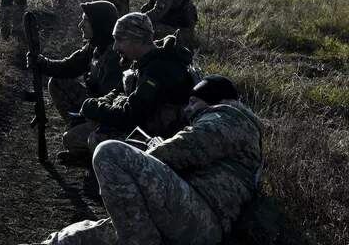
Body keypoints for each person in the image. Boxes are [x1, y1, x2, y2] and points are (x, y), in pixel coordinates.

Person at [28, 75, 263, 245]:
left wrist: (153, 149)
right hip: (187, 213)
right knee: (82, 237)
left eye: (193, 102)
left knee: (109, 152)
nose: (188, 109)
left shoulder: (229, 118)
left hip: (201, 217)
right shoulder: (231, 124)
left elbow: (176, 151)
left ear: (212, 100)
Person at [77, 12, 195, 154]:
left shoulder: (158, 69)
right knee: (78, 134)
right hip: (148, 127)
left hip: (166, 141)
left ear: (138, 40)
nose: (115, 47)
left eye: (119, 40)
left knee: (98, 139)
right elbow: (122, 91)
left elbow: (130, 116)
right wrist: (100, 103)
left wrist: (94, 108)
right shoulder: (144, 61)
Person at [26, 1, 126, 164]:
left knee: (70, 139)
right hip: (95, 106)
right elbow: (68, 67)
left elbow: (113, 105)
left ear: (98, 24)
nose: (80, 25)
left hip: (108, 115)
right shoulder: (94, 46)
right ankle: (79, 129)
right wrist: (42, 63)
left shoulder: (115, 57)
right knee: (57, 82)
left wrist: (90, 116)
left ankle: (91, 149)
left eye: (85, 21)